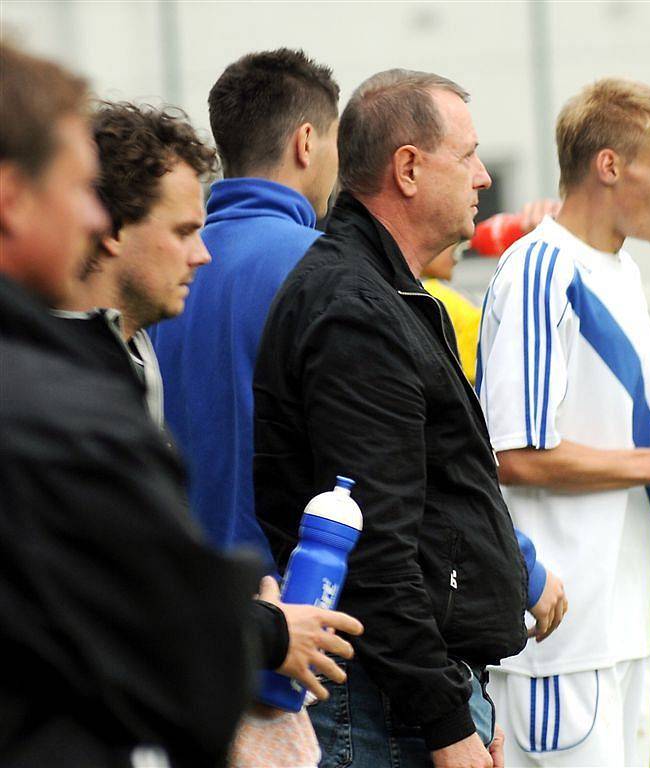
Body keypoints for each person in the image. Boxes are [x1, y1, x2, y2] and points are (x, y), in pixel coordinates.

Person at [0, 43, 361, 768]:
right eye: (79, 189)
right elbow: (149, 635)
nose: (202, 254)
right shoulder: (52, 400)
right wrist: (262, 629)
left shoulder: (120, 353)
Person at [253, 68, 567, 768]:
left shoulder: (382, 291)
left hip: (402, 696)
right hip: (383, 709)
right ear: (408, 169)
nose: (484, 177)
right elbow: (374, 548)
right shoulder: (357, 310)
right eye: (469, 155)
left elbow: (438, 497)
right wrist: (446, 724)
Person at [476, 77, 650, 767]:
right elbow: (512, 452)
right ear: (610, 165)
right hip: (555, 645)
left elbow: (592, 436)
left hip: (617, 629)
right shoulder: (541, 268)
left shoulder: (619, 269)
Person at [150, 49, 340, 561]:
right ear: (306, 142)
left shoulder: (162, 270)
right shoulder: (327, 271)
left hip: (185, 586)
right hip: (291, 599)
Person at [53, 101, 217, 428]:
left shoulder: (131, 348)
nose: (202, 255)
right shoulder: (51, 376)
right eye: (183, 232)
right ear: (112, 228)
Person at [422, 200, 561, 385]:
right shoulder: (434, 295)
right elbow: (515, 341)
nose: (458, 244)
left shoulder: (417, 292)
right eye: (448, 231)